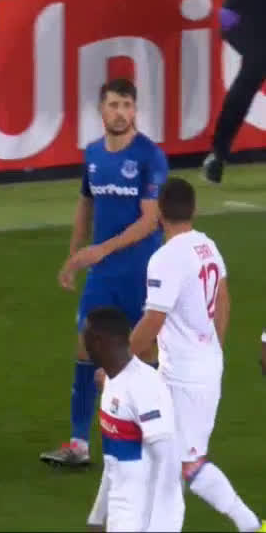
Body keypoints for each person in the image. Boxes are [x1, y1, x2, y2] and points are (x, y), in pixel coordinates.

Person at [42, 78, 169, 469]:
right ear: (101, 110)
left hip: (141, 273)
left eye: (127, 105)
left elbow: (150, 221)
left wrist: (101, 249)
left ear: (135, 110)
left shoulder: (150, 156)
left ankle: (156, 442)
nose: (121, 113)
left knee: (143, 353)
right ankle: (79, 444)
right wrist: (74, 256)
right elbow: (86, 204)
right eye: (114, 105)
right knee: (87, 346)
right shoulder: (94, 155)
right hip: (103, 275)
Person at [127, 177, 266, 533]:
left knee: (179, 466)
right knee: (173, 458)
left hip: (184, 378)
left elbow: (153, 320)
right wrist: (212, 345)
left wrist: (121, 361)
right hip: (198, 367)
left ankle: (249, 524)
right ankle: (248, 524)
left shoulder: (165, 259)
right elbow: (223, 298)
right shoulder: (207, 246)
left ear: (159, 213)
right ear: (194, 210)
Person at [82, 306, 183, 532]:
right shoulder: (111, 383)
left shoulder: (144, 387)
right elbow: (114, 459)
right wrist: (97, 517)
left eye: (85, 335)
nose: (82, 343)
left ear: (99, 342)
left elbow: (168, 460)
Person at [201, 0, 266, 184]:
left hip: (257, 17)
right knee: (255, 68)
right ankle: (217, 153)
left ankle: (217, 154)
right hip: (238, 15)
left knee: (252, 71)